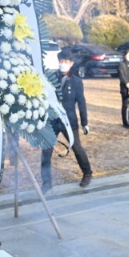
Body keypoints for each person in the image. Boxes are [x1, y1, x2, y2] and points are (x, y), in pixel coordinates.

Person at [41, 49, 92, 188]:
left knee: (77, 148)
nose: (63, 64)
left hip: (69, 121)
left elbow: (81, 102)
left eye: (66, 61)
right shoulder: (51, 78)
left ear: (71, 63)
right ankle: (46, 182)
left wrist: (84, 122)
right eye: (61, 61)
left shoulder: (76, 81)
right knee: (46, 151)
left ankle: (87, 173)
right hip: (53, 120)